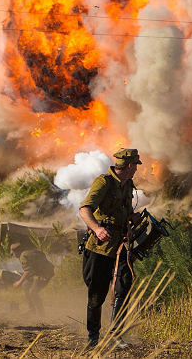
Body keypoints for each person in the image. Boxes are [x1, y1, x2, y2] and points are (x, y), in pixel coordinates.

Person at [78, 148, 142, 349]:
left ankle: (117, 334)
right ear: (130, 165)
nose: (136, 170)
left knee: (123, 288)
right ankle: (93, 338)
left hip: (121, 245)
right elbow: (84, 209)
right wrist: (96, 228)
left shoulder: (128, 185)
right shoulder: (104, 182)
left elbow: (123, 210)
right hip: (100, 248)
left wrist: (131, 217)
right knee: (97, 293)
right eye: (136, 166)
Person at [10, 242, 55, 318]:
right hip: (42, 272)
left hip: (44, 274)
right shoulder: (28, 252)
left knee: (33, 292)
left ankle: (41, 314)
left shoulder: (23, 256)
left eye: (13, 253)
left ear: (17, 251)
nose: (14, 256)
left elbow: (28, 271)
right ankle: (32, 310)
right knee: (26, 285)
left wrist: (19, 282)